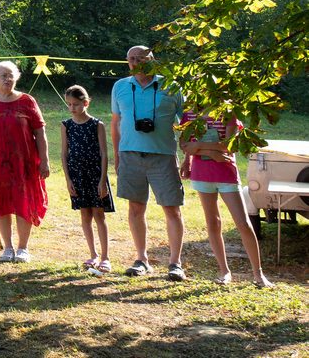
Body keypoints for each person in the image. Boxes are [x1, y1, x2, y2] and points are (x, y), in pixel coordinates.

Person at [110, 45, 187, 280]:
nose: (136, 62)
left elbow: (187, 122)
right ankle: (141, 259)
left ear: (153, 60)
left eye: (141, 58)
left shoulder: (171, 85)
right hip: (130, 155)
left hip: (163, 156)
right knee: (135, 208)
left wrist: (189, 156)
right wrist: (117, 155)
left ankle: (175, 263)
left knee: (172, 209)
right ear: (127, 61)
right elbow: (115, 122)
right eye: (132, 59)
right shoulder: (120, 86)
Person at [180, 110, 270, 286]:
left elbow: (229, 146)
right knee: (213, 222)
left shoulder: (228, 112)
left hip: (226, 174)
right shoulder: (190, 113)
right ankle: (224, 271)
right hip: (201, 175)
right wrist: (207, 153)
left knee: (243, 223)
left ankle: (258, 274)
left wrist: (199, 146)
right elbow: (184, 144)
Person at [0, 60, 49, 262]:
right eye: (3, 76)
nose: (7, 79)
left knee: (24, 200)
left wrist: (44, 160)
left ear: (17, 78)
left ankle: (23, 248)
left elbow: (40, 132)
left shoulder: (27, 101)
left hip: (23, 162)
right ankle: (7, 248)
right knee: (0, 201)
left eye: (11, 75)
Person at [62, 85, 114, 273]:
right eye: (69, 104)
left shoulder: (97, 125)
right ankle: (93, 254)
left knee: (99, 215)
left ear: (85, 103)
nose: (72, 108)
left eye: (75, 104)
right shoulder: (66, 125)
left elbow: (104, 154)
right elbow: (64, 154)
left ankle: (105, 257)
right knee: (85, 214)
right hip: (77, 176)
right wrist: (68, 179)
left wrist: (102, 181)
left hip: (95, 175)